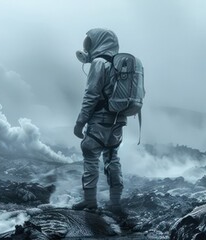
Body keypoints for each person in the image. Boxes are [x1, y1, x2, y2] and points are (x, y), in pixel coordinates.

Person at [71, 28, 127, 216]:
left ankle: (90, 202)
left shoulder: (99, 63)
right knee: (112, 157)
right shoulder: (121, 64)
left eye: (89, 43)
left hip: (100, 119)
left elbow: (91, 95)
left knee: (90, 153)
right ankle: (115, 202)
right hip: (118, 119)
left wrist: (80, 122)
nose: (87, 47)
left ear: (97, 43)